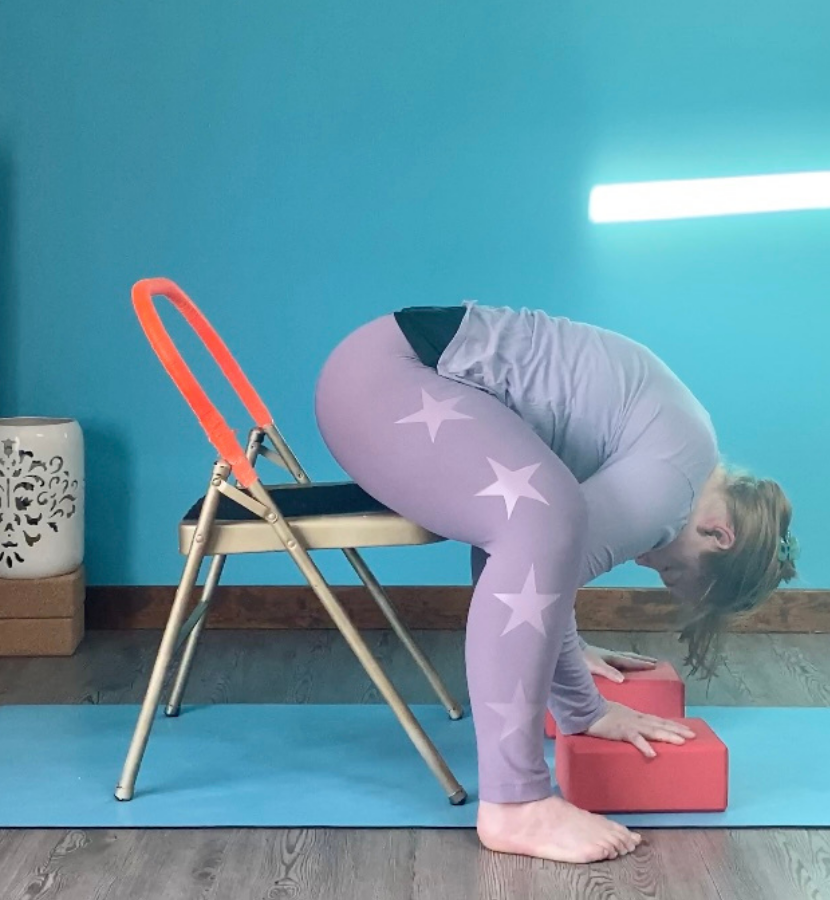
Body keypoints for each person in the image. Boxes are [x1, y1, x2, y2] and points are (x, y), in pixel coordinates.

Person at [313, 301, 798, 864]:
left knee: (539, 522)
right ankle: (515, 803)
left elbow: (524, 563)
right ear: (719, 534)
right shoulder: (673, 487)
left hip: (377, 375)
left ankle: (523, 786)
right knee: (544, 521)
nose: (647, 566)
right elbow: (541, 560)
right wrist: (584, 706)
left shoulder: (688, 440)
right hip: (387, 383)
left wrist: (574, 676)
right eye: (672, 570)